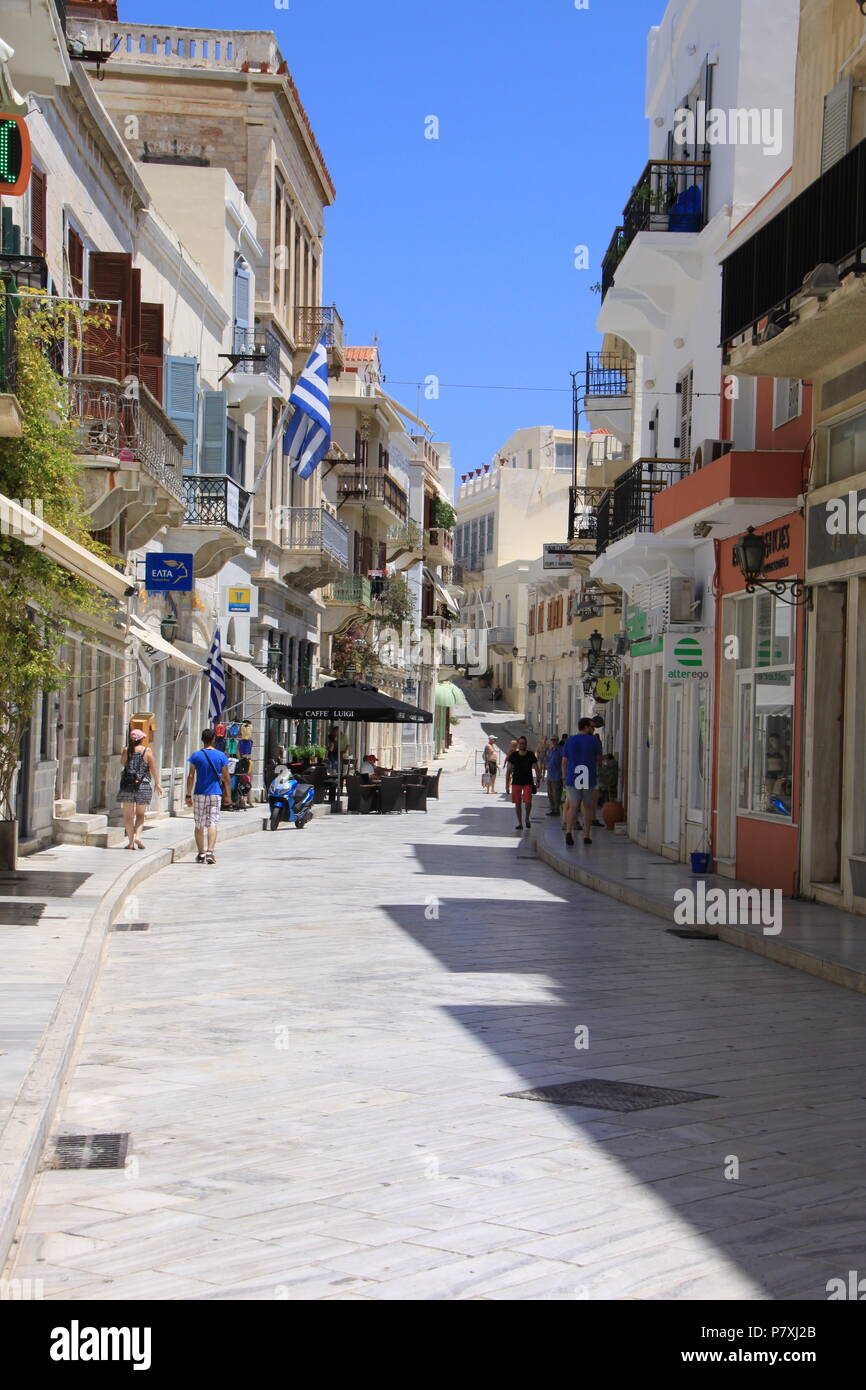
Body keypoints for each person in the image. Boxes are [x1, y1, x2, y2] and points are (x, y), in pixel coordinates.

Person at [185, 728, 232, 865]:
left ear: (202, 739)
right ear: (213, 739)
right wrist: (228, 796)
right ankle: (210, 852)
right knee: (212, 823)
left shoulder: (196, 755)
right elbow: (226, 777)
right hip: (215, 793)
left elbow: (191, 776)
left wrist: (188, 794)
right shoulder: (221, 756)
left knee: (199, 824)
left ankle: (201, 853)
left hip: (199, 793)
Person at [117, 728, 163, 850]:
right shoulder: (147, 751)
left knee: (128, 816)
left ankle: (131, 842)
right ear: (142, 739)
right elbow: (153, 768)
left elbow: (122, 763)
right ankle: (138, 836)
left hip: (127, 786)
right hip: (143, 785)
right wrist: (157, 783)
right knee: (140, 814)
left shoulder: (126, 750)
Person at [562, 718, 600, 846]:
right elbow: (598, 758)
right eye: (592, 727)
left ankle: (568, 831)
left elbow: (564, 762)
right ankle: (586, 835)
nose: (593, 729)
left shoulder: (570, 740)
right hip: (588, 776)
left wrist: (564, 776)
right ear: (586, 727)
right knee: (587, 806)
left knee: (573, 805)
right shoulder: (593, 740)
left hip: (573, 776)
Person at [506, 736, 538, 832]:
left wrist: (538, 779)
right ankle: (520, 823)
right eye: (520, 743)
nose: (521, 745)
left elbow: (536, 768)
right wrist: (507, 784)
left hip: (528, 782)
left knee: (528, 801)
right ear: (518, 745)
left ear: (526, 744)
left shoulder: (531, 755)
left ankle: (527, 817)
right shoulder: (513, 755)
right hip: (516, 782)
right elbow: (509, 770)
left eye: (523, 743)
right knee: (518, 803)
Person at [546, 734, 567, 817]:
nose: (553, 741)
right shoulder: (550, 750)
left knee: (556, 794)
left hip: (557, 775)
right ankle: (552, 809)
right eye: (552, 740)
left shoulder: (561, 750)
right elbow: (548, 760)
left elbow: (564, 761)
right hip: (550, 775)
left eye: (555, 740)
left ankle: (556, 809)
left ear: (557, 740)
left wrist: (563, 775)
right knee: (550, 793)